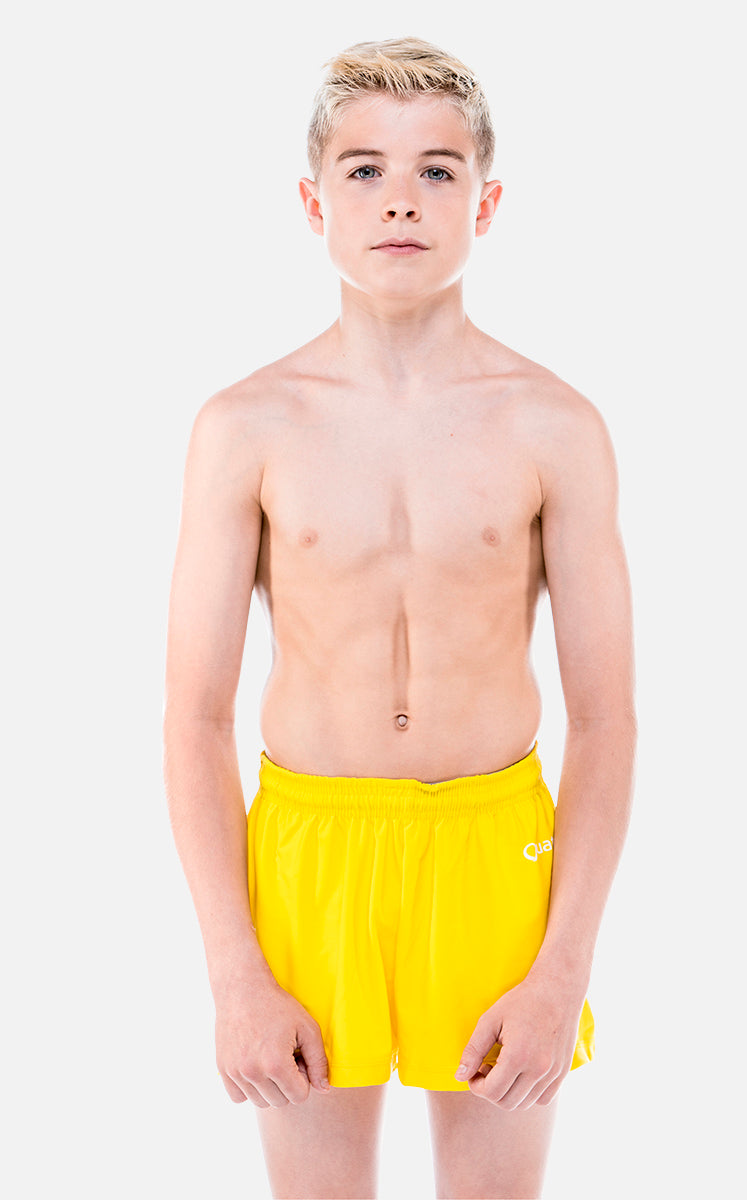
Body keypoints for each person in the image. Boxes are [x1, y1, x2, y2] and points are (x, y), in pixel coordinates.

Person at [163, 35, 636, 1200]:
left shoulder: (554, 426)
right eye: (365, 169)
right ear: (312, 203)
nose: (399, 200)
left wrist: (561, 971)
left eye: (435, 170)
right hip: (308, 851)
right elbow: (193, 716)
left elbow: (606, 719)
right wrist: (234, 972)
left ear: (485, 203)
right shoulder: (245, 426)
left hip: (491, 849)